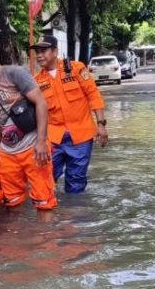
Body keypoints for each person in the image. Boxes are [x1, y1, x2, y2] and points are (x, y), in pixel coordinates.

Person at [0, 46, 57, 210]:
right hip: (7, 153)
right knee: (11, 202)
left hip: (32, 146)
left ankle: (46, 234)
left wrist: (41, 141)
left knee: (44, 202)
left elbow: (41, 102)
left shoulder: (15, 74)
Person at [32, 35, 108, 193]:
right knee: (45, 178)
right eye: (37, 51)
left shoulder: (76, 69)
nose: (39, 55)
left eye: (43, 50)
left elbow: (93, 95)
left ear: (55, 51)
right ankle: (48, 213)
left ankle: (75, 214)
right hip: (53, 138)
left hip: (81, 136)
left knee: (76, 181)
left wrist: (101, 124)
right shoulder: (36, 81)